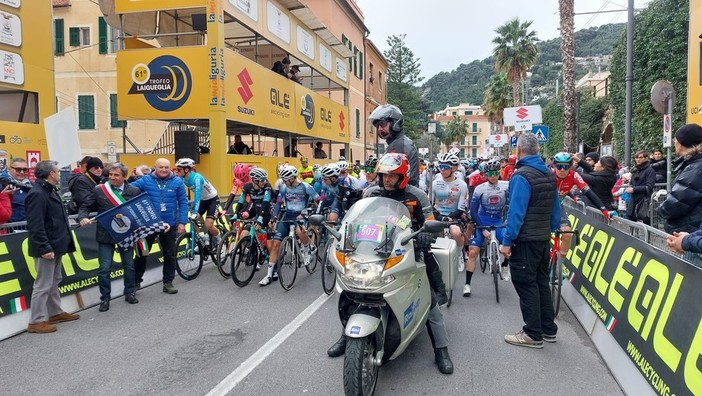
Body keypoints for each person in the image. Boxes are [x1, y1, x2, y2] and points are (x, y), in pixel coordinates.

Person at [327, 153, 454, 374]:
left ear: (402, 176)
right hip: (373, 253)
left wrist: (426, 235)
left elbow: (433, 224)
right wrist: (344, 234)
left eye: (392, 175)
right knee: (352, 292)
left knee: (429, 299)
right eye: (384, 175)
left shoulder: (417, 196)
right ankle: (345, 337)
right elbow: (356, 222)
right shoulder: (370, 194)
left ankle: (441, 349)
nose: (387, 180)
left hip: (409, 250)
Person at [499, 134, 561, 348]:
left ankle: (533, 334)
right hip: (543, 239)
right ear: (537, 150)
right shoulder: (548, 173)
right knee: (541, 282)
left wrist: (507, 241)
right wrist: (552, 230)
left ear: (519, 151)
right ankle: (548, 329)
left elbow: (516, 214)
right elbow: (556, 209)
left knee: (526, 285)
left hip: (525, 241)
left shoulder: (521, 176)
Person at [25, 160, 80, 333]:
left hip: (56, 244)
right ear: (51, 174)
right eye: (57, 171)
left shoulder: (48, 190)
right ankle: (36, 321)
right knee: (42, 284)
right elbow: (36, 224)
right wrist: (44, 248)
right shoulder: (38, 193)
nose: (59, 173)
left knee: (54, 280)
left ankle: (55, 312)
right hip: (47, 247)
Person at [78, 163, 140, 312]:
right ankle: (105, 298)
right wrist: (83, 217)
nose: (112, 177)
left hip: (125, 234)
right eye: (110, 175)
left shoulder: (134, 191)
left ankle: (129, 292)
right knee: (104, 269)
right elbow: (85, 206)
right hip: (105, 234)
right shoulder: (100, 191)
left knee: (129, 266)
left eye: (116, 175)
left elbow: (139, 210)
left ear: (124, 177)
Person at [130, 158, 189, 294]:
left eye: (166, 167)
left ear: (170, 168)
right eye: (161, 167)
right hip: (148, 225)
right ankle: (135, 282)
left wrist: (182, 222)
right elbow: (128, 190)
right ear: (155, 167)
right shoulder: (145, 180)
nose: (164, 170)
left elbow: (183, 203)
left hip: (169, 225)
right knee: (141, 254)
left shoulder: (177, 182)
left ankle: (168, 283)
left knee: (170, 254)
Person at [259, 165, 319, 286]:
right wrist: (274, 217)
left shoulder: (306, 187)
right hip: (288, 215)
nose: (284, 182)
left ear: (292, 178)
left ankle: (307, 249)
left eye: (285, 180)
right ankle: (269, 275)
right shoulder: (284, 188)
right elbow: (278, 203)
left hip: (301, 214)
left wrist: (313, 211)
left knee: (300, 231)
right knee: (276, 244)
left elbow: (318, 199)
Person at [467, 159, 510, 296]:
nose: (493, 176)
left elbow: (512, 205)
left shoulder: (506, 186)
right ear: (485, 174)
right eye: (490, 173)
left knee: (508, 247)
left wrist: (508, 220)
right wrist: (482, 229)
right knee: (473, 252)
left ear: (499, 172)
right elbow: (473, 211)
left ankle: (504, 265)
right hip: (482, 221)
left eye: (496, 173)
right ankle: (467, 284)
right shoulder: (480, 189)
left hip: (498, 221)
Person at [431, 153, 471, 299]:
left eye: (446, 167)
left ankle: (460, 253)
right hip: (438, 215)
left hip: (455, 214)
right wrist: (440, 216)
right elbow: (430, 203)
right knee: (435, 238)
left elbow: (461, 207)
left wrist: (451, 217)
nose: (442, 170)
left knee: (455, 232)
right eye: (440, 167)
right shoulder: (435, 183)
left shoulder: (461, 184)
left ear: (453, 168)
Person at [657, 123, 702, 233]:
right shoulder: (694, 165)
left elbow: (677, 202)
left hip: (689, 234)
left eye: (675, 140)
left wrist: (660, 210)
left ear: (682, 143)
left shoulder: (695, 168)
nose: (674, 143)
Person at [369, 104, 419, 187]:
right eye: (377, 126)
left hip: (399, 196)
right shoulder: (395, 143)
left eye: (383, 124)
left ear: (395, 123)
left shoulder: (400, 146)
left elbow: (391, 178)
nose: (380, 129)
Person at [174, 158, 221, 246]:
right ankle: (201, 239)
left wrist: (195, 212)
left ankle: (220, 242)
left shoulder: (197, 178)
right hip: (203, 201)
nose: (177, 171)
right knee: (192, 220)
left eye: (179, 169)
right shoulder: (182, 178)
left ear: (186, 170)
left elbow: (197, 196)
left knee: (208, 224)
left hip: (212, 199)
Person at [624, 150, 656, 224]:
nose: (638, 159)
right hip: (633, 200)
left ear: (646, 158)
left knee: (645, 221)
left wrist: (634, 189)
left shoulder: (650, 170)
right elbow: (632, 183)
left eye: (640, 157)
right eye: (636, 158)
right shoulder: (635, 170)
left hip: (644, 200)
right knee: (630, 220)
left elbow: (649, 186)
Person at [5, 158, 32, 223]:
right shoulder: (3, 185)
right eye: (18, 169)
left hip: (30, 228)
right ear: (9, 169)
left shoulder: (33, 186)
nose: (22, 172)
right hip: (9, 229)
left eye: (25, 170)